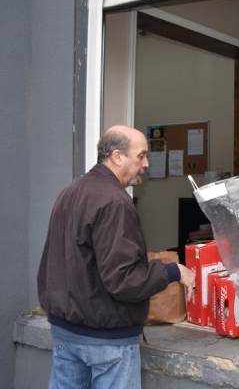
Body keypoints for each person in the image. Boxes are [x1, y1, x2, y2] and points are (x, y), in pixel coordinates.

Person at [37, 125, 196, 389]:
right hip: (106, 341)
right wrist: (174, 271)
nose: (145, 163)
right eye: (141, 155)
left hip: (66, 331)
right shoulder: (114, 202)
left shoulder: (70, 192)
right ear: (117, 156)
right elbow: (125, 280)